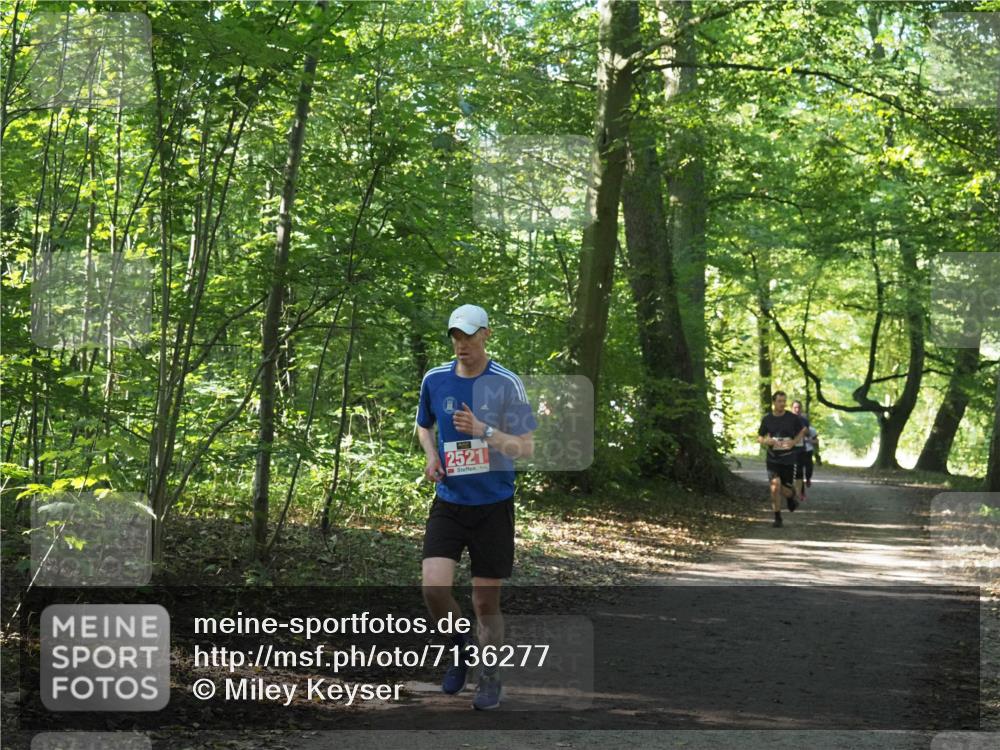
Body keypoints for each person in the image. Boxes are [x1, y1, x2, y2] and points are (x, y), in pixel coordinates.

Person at [415, 304, 536, 710]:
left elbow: (526, 447)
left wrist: (483, 431)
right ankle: (461, 647)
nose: (461, 343)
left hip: (493, 505)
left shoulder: (507, 383)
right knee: (433, 588)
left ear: (486, 334)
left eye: (468, 335)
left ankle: (490, 674)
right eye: (455, 335)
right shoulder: (435, 378)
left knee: (485, 603)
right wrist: (431, 456)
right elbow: (423, 425)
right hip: (450, 502)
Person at [757, 391, 807, 528]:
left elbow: (803, 430)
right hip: (773, 459)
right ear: (774, 402)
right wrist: (768, 441)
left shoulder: (792, 418)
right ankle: (777, 517)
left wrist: (793, 442)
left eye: (784, 401)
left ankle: (791, 497)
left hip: (788, 458)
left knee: (785, 489)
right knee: (775, 486)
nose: (782, 404)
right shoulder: (767, 419)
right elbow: (759, 437)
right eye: (779, 401)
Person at [790, 400, 818, 500]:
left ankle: (808, 479)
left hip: (804, 449)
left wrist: (807, 439)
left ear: (801, 409)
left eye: (799, 408)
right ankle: (800, 492)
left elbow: (809, 433)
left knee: (806, 469)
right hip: (792, 449)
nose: (797, 410)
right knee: (798, 471)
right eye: (795, 408)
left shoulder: (804, 421)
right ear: (791, 409)